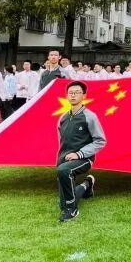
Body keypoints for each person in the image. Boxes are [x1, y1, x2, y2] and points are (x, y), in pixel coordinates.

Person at [54, 80, 105, 222]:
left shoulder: (90, 116)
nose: (73, 95)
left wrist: (79, 154)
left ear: (84, 95)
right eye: (70, 93)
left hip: (84, 159)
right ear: (66, 96)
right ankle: (87, 184)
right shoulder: (63, 118)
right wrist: (61, 158)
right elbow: (62, 142)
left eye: (77, 92)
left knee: (64, 172)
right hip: (65, 160)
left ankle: (72, 210)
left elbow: (100, 141)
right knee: (62, 204)